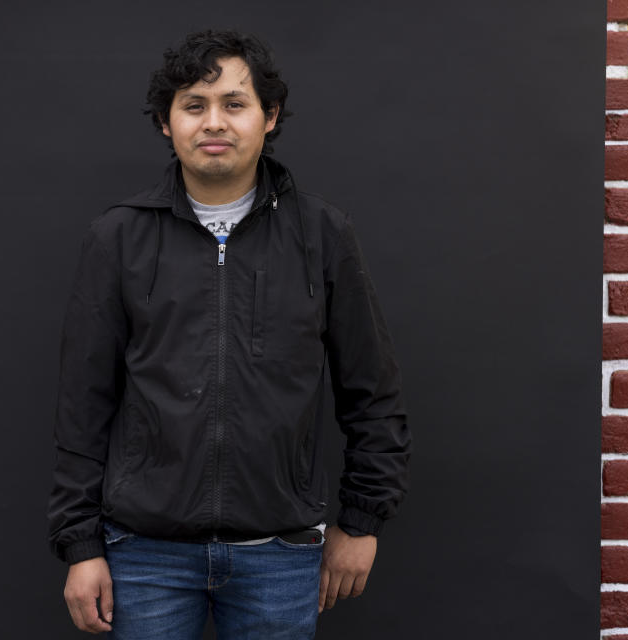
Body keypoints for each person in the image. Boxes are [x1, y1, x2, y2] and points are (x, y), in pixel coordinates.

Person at [47, 29, 410, 639]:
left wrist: (363, 520)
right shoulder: (118, 239)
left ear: (269, 118)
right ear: (167, 123)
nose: (214, 122)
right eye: (194, 105)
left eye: (234, 104)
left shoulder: (321, 234)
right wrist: (80, 545)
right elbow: (82, 406)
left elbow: (372, 391)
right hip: (144, 554)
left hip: (282, 553)